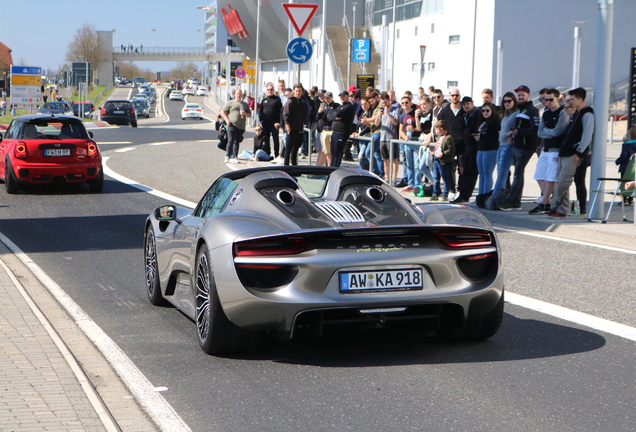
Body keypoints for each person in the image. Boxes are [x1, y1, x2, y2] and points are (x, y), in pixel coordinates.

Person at [548, 87, 594, 218]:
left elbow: (587, 135)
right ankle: (562, 209)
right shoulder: (577, 113)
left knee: (564, 181)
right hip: (564, 152)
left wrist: (579, 152)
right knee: (562, 181)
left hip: (573, 153)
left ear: (580, 99)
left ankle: (553, 205)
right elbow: (569, 134)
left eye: (573, 99)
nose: (570, 102)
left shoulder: (587, 114)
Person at [498, 85, 540, 211]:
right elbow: (518, 128)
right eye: (519, 95)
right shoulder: (521, 110)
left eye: (523, 95)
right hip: (518, 145)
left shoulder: (532, 110)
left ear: (529, 96)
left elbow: (535, 128)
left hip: (527, 146)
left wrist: (518, 132)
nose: (520, 97)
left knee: (517, 174)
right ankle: (516, 202)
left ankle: (511, 200)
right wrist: (513, 136)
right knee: (519, 174)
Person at [530, 88, 568, 215]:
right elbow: (540, 131)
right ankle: (548, 201)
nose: (548, 102)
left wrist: (548, 132)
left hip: (556, 149)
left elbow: (559, 131)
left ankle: (543, 203)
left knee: (551, 178)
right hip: (545, 148)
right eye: (545, 99)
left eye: (550, 99)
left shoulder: (562, 112)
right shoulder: (546, 113)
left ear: (557, 98)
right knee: (539, 175)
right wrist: (549, 133)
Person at [487, 92, 519, 210]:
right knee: (500, 172)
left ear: (514, 101)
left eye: (509, 101)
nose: (507, 103)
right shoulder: (505, 114)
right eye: (505, 101)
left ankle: (495, 200)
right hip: (501, 144)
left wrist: (511, 134)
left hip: (508, 146)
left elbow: (518, 127)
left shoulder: (516, 113)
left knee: (502, 173)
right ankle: (495, 197)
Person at [436, 88, 465, 198]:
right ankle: (451, 190)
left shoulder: (464, 110)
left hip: (462, 144)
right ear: (449, 96)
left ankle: (461, 190)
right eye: (453, 95)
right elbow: (439, 124)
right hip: (448, 144)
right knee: (449, 169)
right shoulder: (445, 111)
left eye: (457, 95)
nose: (455, 97)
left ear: (459, 96)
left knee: (462, 168)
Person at [452, 96, 479, 204]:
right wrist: (466, 133)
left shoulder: (477, 113)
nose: (466, 106)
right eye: (464, 104)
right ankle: (463, 194)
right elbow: (460, 129)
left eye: (468, 104)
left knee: (472, 171)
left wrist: (467, 133)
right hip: (467, 144)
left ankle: (466, 195)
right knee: (466, 171)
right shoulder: (463, 115)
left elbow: (472, 128)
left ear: (472, 103)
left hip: (475, 145)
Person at [474, 102, 501, 205]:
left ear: (492, 111)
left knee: (487, 173)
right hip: (481, 148)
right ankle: (480, 197)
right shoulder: (481, 121)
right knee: (481, 174)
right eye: (483, 110)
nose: (485, 112)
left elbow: (495, 137)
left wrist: (481, 137)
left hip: (491, 149)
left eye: (487, 110)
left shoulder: (495, 121)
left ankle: (485, 196)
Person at [220, 88, 252, 163]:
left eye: (240, 94)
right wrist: (227, 120)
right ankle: (227, 156)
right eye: (237, 94)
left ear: (242, 95)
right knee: (230, 140)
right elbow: (222, 111)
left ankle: (235, 156)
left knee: (236, 141)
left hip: (241, 126)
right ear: (235, 95)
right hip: (231, 124)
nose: (238, 95)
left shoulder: (245, 104)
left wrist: (245, 114)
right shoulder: (230, 102)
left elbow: (250, 114)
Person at [375, 92, 400, 186]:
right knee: (385, 159)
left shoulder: (395, 109)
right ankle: (387, 177)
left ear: (389, 100)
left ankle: (394, 178)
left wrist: (388, 113)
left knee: (394, 159)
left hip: (392, 137)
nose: (384, 104)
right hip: (383, 137)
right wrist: (378, 115)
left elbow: (395, 122)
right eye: (382, 102)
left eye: (385, 102)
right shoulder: (381, 110)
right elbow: (377, 124)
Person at [282, 84, 308, 166]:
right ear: (294, 91)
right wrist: (288, 127)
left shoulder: (302, 102)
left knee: (296, 148)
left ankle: (294, 165)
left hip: (299, 128)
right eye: (297, 91)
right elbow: (286, 115)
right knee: (288, 147)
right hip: (291, 128)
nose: (298, 93)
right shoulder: (290, 101)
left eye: (300, 91)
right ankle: (286, 165)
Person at [430, 120, 455, 201]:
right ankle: (435, 193)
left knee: (445, 178)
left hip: (444, 161)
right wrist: (433, 152)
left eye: (437, 130)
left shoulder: (448, 138)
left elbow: (451, 150)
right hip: (436, 159)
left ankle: (445, 194)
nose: (436, 132)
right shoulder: (440, 138)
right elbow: (438, 147)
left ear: (441, 129)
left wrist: (443, 153)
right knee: (436, 178)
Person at [330, 91, 356, 167]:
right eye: (341, 96)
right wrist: (335, 117)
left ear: (348, 96)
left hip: (342, 132)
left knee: (337, 152)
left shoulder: (349, 106)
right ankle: (331, 168)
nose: (342, 98)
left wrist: (336, 116)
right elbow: (330, 115)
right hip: (335, 131)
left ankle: (334, 168)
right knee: (333, 152)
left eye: (344, 96)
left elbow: (337, 114)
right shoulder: (339, 106)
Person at [258, 83, 282, 160]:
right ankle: (267, 154)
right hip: (265, 123)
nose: (270, 91)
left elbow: (280, 112)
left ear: (273, 90)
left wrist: (278, 122)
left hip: (274, 124)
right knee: (266, 139)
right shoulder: (264, 100)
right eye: (268, 89)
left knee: (275, 139)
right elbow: (261, 111)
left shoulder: (277, 100)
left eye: (271, 89)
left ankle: (276, 155)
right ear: (266, 90)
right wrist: (260, 119)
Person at [315, 91, 339, 166]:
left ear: (331, 98)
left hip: (332, 130)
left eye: (328, 98)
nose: (327, 100)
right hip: (324, 130)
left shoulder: (336, 106)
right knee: (325, 151)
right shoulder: (324, 106)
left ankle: (330, 166)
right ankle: (321, 167)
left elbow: (332, 117)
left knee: (330, 151)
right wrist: (319, 112)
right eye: (325, 98)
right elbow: (317, 118)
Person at [615, 126, 636, 205]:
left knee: (624, 182)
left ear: (629, 136)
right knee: (633, 181)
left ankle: (624, 199)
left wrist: (617, 161)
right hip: (634, 167)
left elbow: (624, 156)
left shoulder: (626, 145)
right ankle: (631, 198)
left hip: (626, 167)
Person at [353, 98, 373, 171]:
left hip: (367, 136)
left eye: (365, 104)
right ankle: (364, 170)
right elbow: (358, 125)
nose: (363, 106)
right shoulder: (362, 113)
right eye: (362, 104)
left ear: (369, 104)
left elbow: (368, 126)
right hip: (361, 137)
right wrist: (355, 132)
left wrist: (360, 133)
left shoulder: (370, 113)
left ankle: (364, 170)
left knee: (361, 155)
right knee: (362, 155)